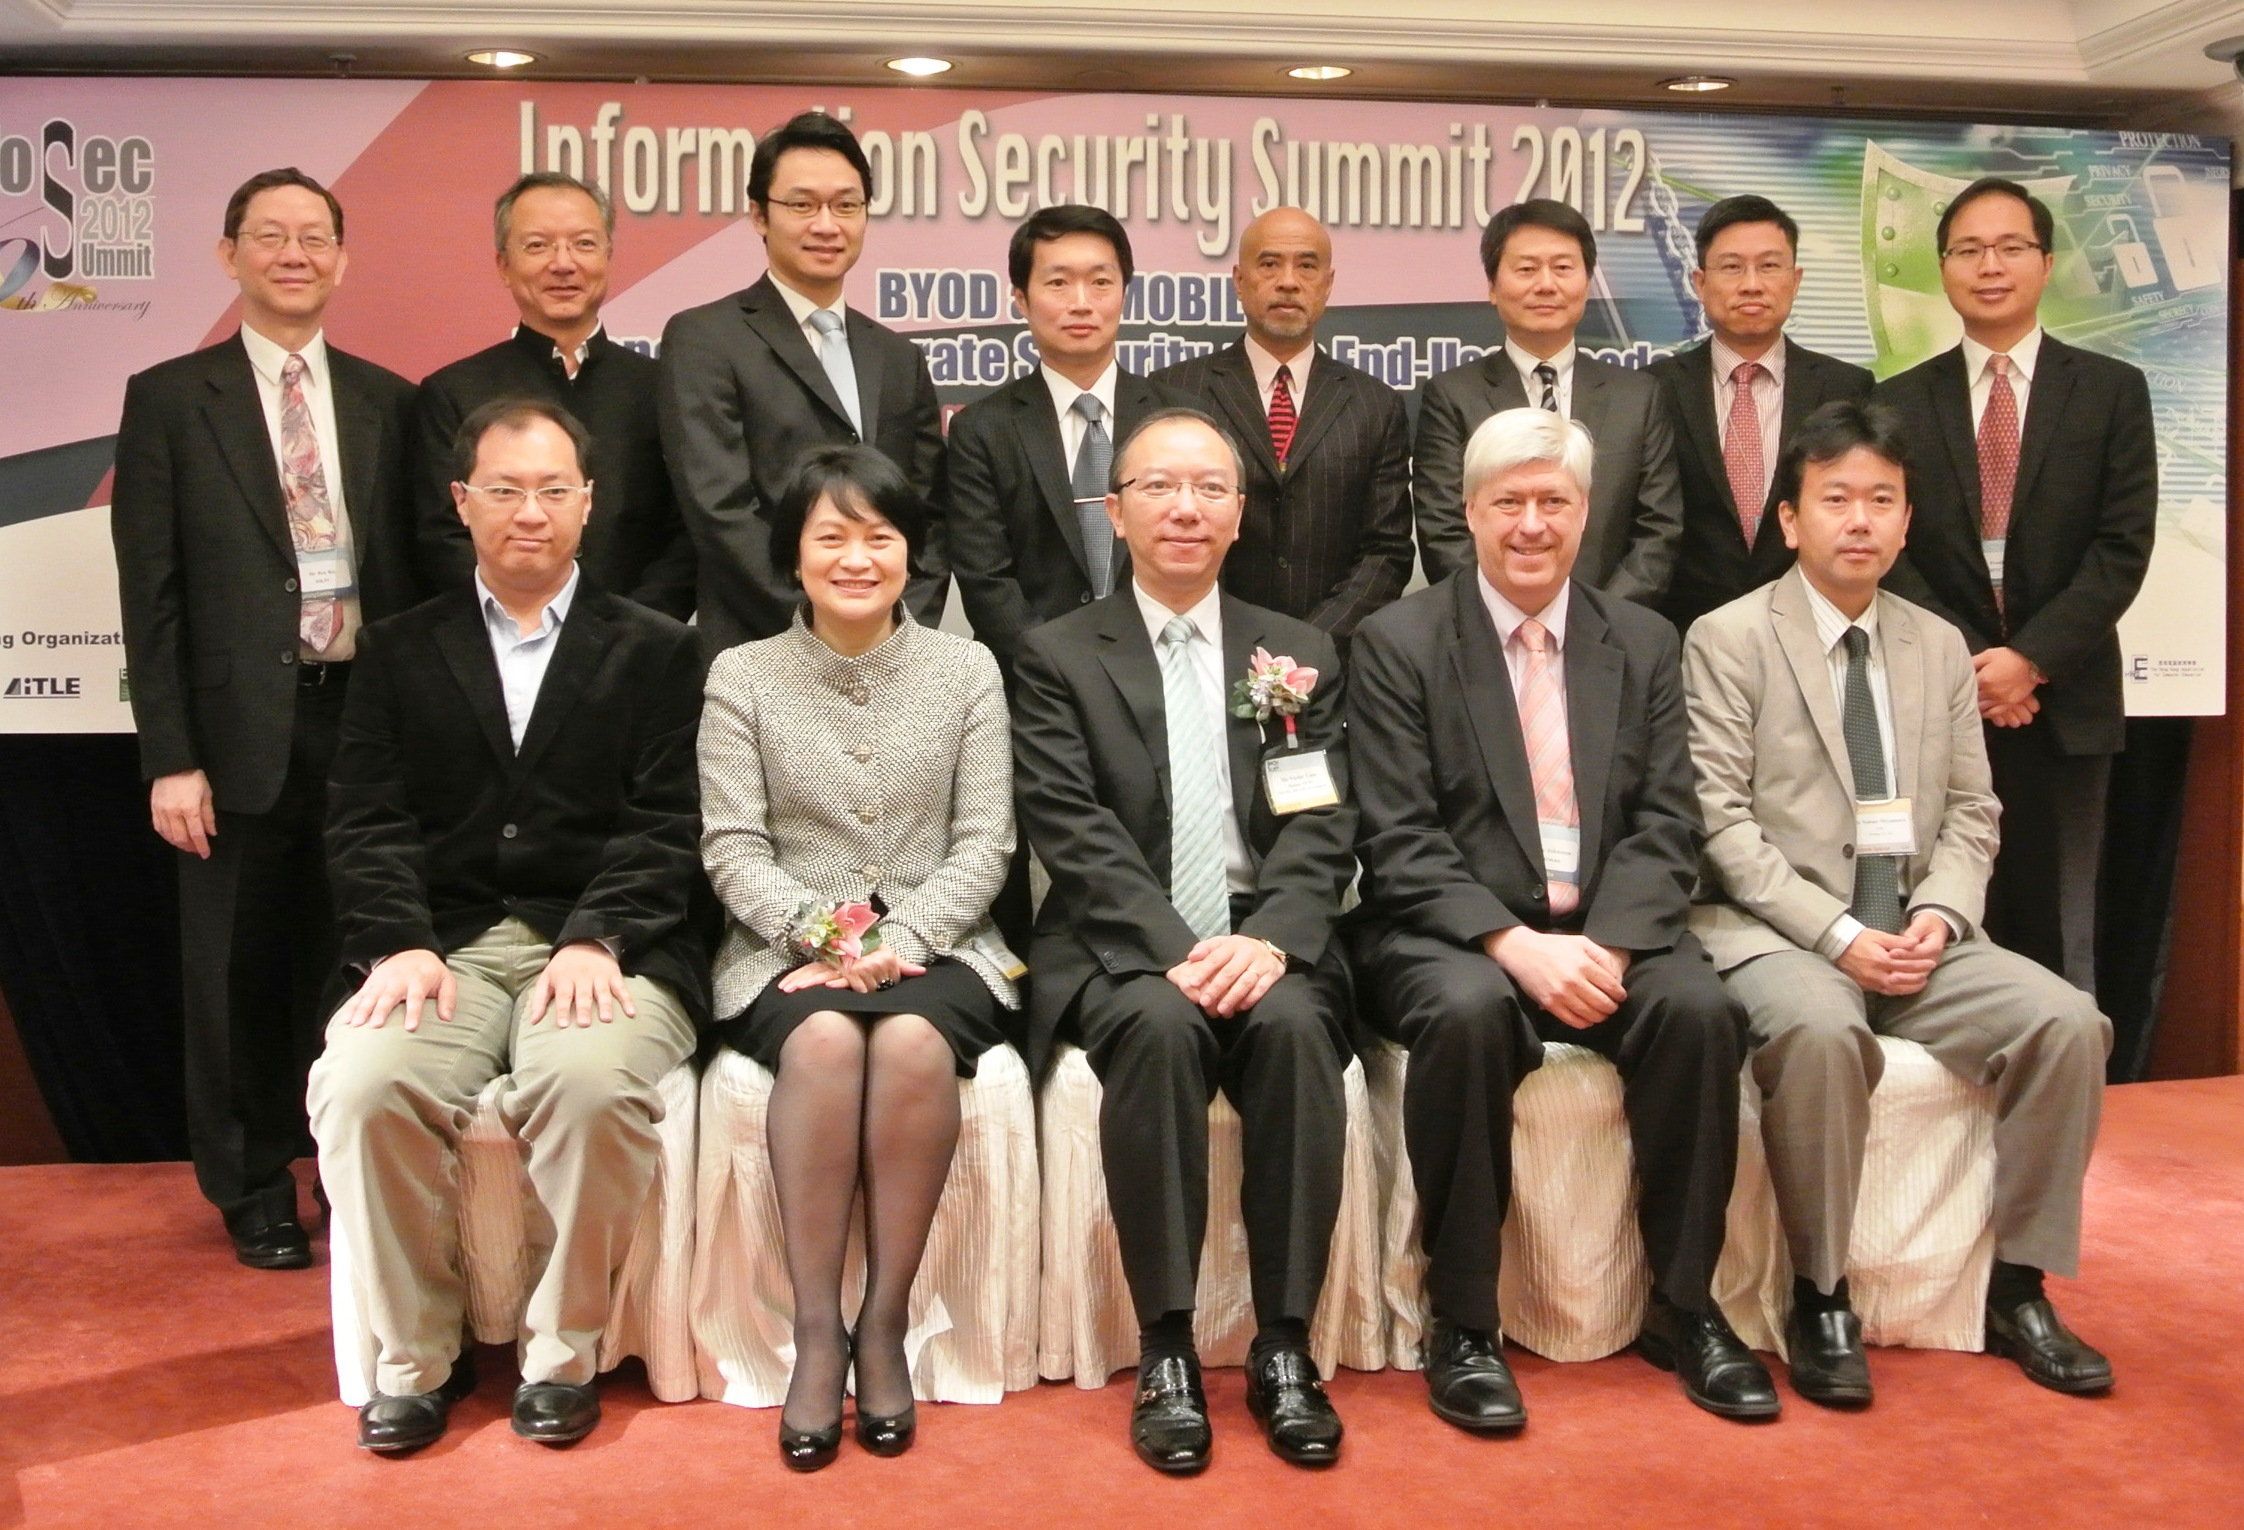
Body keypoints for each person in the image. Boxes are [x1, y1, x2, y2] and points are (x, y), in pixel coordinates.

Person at [1348, 406, 1774, 1431]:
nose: (1532, 525)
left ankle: (1686, 1306)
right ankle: (1463, 1321)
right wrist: (1512, 945)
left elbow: (1671, 819)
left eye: (1555, 502)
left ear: (1586, 514)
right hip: (1454, 932)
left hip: (1608, 925)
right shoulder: (1398, 641)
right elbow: (1398, 838)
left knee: (1700, 1013)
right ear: (1469, 513)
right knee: (1465, 1015)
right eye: (1510, 503)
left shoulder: (1640, 640)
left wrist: (1611, 944)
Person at [1682, 398, 2115, 1405]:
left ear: (1910, 520)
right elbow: (1722, 829)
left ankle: (2018, 1286)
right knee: (1826, 1037)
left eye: (1883, 500)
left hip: (1920, 933)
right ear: (1790, 519)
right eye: (1836, 499)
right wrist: (1838, 936)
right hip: (1781, 935)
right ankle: (1820, 1293)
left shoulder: (1934, 644)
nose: (1861, 521)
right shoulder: (1729, 638)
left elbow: (1972, 808)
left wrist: (1942, 917)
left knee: (2068, 1023)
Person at [309, 398, 707, 1453]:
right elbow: (367, 819)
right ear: (460, 502)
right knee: (362, 1083)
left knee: (587, 1083)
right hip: (443, 946)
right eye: (503, 489)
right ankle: (413, 1362)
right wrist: (397, 942)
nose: (528, 511)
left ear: (588, 502)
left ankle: (561, 1352)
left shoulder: (663, 651)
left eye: (551, 490)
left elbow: (671, 827)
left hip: (603, 943)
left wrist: (599, 935)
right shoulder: (398, 652)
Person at [1013, 408, 1356, 1473]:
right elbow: (1071, 829)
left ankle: (1285, 1345)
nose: (1185, 508)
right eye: (1159, 487)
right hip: (1124, 943)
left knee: (1298, 1029)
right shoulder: (1056, 653)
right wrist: (1177, 945)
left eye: (1210, 488)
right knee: (1160, 1031)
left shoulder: (1293, 652)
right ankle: (1166, 1346)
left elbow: (1323, 819)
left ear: (1240, 515)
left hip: (1263, 938)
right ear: (1116, 513)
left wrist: (1280, 939)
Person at [111, 167, 418, 1270]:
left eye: (315, 237)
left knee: (361, 961)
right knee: (234, 968)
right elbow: (150, 594)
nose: (295, 254)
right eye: (271, 236)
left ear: (342, 258)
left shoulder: (393, 400)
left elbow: (421, 588)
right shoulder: (168, 399)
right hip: (233, 738)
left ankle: (350, 1167)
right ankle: (248, 1185)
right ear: (230, 254)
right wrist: (170, 757)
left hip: (366, 729)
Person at [698, 444, 1018, 1471]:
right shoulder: (740, 676)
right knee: (829, 1042)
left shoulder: (967, 669)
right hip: (783, 952)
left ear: (911, 555)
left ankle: (883, 1325)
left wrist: (901, 939)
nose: (856, 557)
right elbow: (732, 849)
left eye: (879, 536)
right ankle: (815, 1336)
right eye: (830, 536)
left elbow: (988, 843)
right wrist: (831, 937)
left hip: (946, 944)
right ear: (794, 556)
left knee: (918, 1045)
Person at [1875, 177, 2156, 992]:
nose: (1988, 265)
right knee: (1943, 914)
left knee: (2061, 926)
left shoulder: (2109, 391)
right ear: (1943, 268)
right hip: (1943, 695)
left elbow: (2121, 547)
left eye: (2009, 248)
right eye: (1967, 250)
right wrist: (1975, 663)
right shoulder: (1896, 400)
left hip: (2065, 701)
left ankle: (2063, 1110)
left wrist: (2029, 661)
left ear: (2046, 262)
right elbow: (1893, 548)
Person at [659, 110, 947, 654]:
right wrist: (826, 627)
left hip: (896, 657)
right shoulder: (704, 338)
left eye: (846, 205)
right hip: (760, 650)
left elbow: (928, 513)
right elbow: (719, 511)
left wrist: (899, 626)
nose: (826, 224)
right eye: (801, 204)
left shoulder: (898, 356)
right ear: (759, 215)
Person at [414, 172, 695, 616]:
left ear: (608, 256)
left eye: (583, 244)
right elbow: (443, 538)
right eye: (538, 246)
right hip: (496, 646)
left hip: (637, 651)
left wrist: (627, 633)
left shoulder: (663, 387)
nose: (563, 264)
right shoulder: (452, 392)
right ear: (503, 265)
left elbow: (686, 536)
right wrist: (525, 620)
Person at [1151, 206, 1414, 645]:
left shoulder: (1375, 404)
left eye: (1307, 266)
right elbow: (1156, 531)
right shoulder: (1175, 391)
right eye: (1269, 264)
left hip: (1335, 662)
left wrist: (1311, 644)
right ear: (1238, 281)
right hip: (1203, 649)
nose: (1288, 281)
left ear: (1328, 284)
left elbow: (1386, 552)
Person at [947, 204, 1186, 673]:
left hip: (1163, 672)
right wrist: (1062, 669)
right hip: (1033, 683)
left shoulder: (1177, 420)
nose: (1082, 302)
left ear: (1124, 293)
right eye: (1058, 283)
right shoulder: (981, 429)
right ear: (1021, 298)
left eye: (1100, 282)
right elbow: (986, 580)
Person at [1412, 198, 1683, 606]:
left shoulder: (1639, 396)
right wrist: (1508, 618)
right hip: (1489, 635)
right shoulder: (1452, 396)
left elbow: (1658, 532)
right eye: (1526, 269)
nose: (1545, 284)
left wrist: (1596, 623)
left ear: (1587, 283)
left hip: (1613, 636)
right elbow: (1444, 531)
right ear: (1491, 286)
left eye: (1562, 268)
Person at [1648, 194, 1873, 631]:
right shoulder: (1655, 388)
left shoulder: (1846, 388)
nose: (1751, 284)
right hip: (1682, 633)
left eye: (1769, 266)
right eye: (1731, 267)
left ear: (1795, 279)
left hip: (1814, 626)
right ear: (1699, 281)